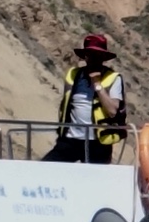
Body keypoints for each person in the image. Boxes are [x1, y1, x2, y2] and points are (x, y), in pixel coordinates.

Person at [52, 31, 130, 162]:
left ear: (103, 58)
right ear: (85, 56)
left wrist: (98, 85)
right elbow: (66, 104)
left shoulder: (113, 78)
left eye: (98, 55)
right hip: (70, 139)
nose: (94, 59)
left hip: (97, 143)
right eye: (90, 55)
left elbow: (112, 111)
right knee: (47, 167)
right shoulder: (73, 75)